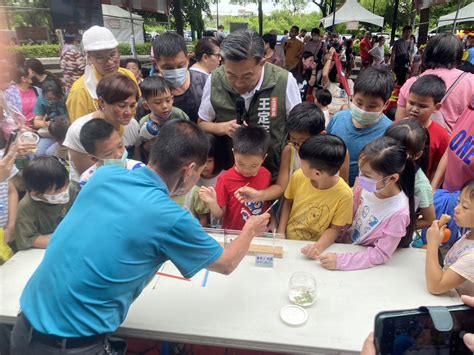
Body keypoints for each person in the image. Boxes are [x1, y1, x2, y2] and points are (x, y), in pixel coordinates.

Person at [11, 120, 271, 354]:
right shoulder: (170, 217)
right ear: (190, 170)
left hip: (23, 327)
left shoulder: (104, 175)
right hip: (72, 345)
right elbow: (226, 263)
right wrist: (250, 230)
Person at [198, 29, 301, 179]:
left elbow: (297, 129)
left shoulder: (283, 81)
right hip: (231, 174)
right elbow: (201, 123)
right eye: (231, 75)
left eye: (247, 76)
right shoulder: (214, 80)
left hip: (273, 175)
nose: (239, 83)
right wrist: (223, 128)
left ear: (262, 63)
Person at [311, 137, 415, 270]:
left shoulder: (398, 213)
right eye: (361, 171)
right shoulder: (365, 185)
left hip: (356, 259)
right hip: (339, 246)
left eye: (367, 175)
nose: (361, 178)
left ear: (392, 178)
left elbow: (381, 254)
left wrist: (341, 261)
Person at [234, 102, 327, 204]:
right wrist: (258, 195)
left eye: (302, 142)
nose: (297, 146)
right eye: (293, 140)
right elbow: (281, 187)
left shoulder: (335, 154)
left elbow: (340, 189)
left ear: (321, 135)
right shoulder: (289, 151)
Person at [63, 73, 140, 184]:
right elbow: (90, 178)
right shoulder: (78, 132)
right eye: (122, 106)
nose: (128, 112)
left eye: (132, 106)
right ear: (102, 102)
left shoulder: (132, 125)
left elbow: (137, 161)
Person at [279, 134, 353, 246]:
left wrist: (318, 247)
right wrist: (281, 232)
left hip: (317, 245)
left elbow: (335, 229)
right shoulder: (298, 176)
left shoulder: (345, 195)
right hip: (288, 240)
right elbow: (288, 202)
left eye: (302, 163)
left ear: (317, 173)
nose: (300, 166)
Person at [327, 67, 393, 186]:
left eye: (372, 106)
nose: (363, 110)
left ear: (386, 104)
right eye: (359, 103)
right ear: (353, 96)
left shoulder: (389, 132)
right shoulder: (339, 118)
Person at [396, 33, 474, 133]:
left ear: (428, 53)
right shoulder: (470, 82)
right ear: (458, 55)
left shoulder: (412, 82)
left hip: (417, 144)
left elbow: (400, 122)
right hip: (454, 145)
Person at [199, 126, 272, 231]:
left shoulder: (266, 174)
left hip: (259, 232)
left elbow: (267, 203)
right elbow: (220, 214)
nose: (246, 170)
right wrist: (212, 202)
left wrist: (273, 220)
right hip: (233, 233)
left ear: (264, 158)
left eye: (253, 166)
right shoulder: (225, 179)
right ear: (233, 153)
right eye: (241, 163)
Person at [66, 26, 138, 122]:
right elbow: (80, 129)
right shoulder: (80, 91)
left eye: (112, 55)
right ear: (89, 58)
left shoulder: (128, 76)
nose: (109, 62)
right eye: (100, 58)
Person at [14, 156, 77, 251]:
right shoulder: (26, 207)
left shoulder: (71, 189)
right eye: (57, 190)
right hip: (44, 248)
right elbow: (27, 238)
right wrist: (62, 243)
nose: (64, 191)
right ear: (35, 192)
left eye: (66, 184)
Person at [425, 179, 473, 296]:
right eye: (458, 202)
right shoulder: (469, 234)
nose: (456, 209)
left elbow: (436, 286)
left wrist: (432, 244)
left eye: (465, 207)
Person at [385, 120, 435, 231]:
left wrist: (397, 230)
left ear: (417, 155)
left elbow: (429, 219)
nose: (392, 154)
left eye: (400, 152)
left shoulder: (420, 185)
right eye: (388, 147)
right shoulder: (380, 163)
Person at [152, 32, 208, 123]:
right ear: (156, 64)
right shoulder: (150, 91)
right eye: (168, 68)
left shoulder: (205, 83)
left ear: (187, 59)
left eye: (180, 66)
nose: (175, 71)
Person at [403, 75, 450, 179]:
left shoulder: (442, 135)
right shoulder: (398, 126)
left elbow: (437, 167)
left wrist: (431, 187)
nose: (414, 109)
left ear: (436, 107)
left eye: (422, 106)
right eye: (411, 103)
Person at [79, 119, 144, 188]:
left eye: (120, 146)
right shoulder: (88, 181)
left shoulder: (139, 170)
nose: (119, 154)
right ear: (94, 158)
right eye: (109, 153)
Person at [33, 79, 68, 156]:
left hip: (65, 134)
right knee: (39, 153)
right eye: (49, 99)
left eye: (55, 99)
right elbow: (36, 121)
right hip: (50, 133)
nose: (52, 101)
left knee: (50, 153)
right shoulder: (41, 99)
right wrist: (44, 124)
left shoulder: (68, 97)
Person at [322, 48, 354, 117]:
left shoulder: (349, 82)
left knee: (345, 107)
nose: (342, 75)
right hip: (331, 112)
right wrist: (331, 56)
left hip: (346, 111)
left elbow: (353, 99)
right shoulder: (329, 83)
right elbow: (324, 74)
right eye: (339, 73)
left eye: (343, 72)